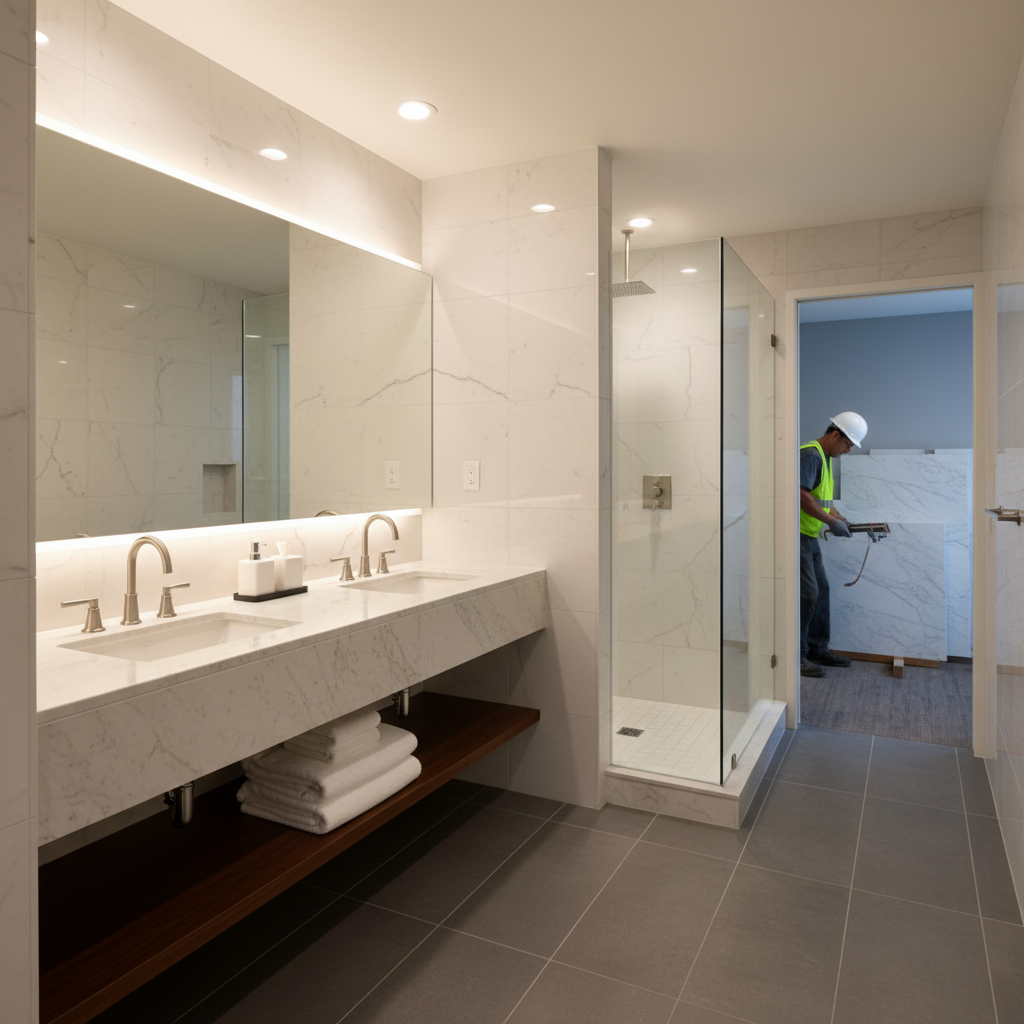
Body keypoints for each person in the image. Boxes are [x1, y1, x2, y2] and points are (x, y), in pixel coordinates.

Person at [799, 412, 868, 677]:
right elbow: (800, 495)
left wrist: (839, 518)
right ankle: (798, 655)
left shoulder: (826, 458)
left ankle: (817, 648)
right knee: (807, 594)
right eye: (848, 445)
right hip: (797, 535)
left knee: (821, 591)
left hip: (809, 535)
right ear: (835, 435)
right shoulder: (811, 455)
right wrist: (830, 521)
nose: (848, 450)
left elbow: (822, 500)